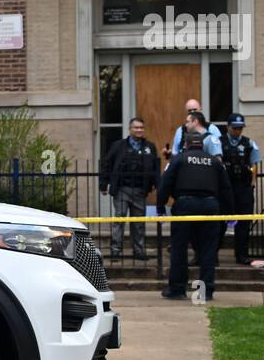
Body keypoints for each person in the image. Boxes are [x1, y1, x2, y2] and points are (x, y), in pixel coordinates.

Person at [157, 129, 234, 300]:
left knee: (179, 249)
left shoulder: (178, 160)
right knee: (208, 250)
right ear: (202, 144)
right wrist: (229, 213)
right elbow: (226, 188)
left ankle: (177, 289)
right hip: (210, 206)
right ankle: (205, 291)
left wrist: (160, 207)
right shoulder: (214, 162)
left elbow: (165, 183)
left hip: (185, 205)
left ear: (185, 144)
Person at [98, 117, 159, 260]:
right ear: (130, 129)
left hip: (140, 190)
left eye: (141, 128)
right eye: (136, 127)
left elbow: (155, 168)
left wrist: (157, 184)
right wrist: (103, 184)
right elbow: (107, 164)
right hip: (121, 189)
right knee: (119, 220)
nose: (139, 130)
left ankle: (139, 251)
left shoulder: (150, 147)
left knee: (138, 222)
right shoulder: (118, 145)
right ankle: (115, 251)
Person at [220, 112, 261, 264]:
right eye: (235, 128)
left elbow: (254, 164)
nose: (238, 131)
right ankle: (213, 254)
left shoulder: (249, 143)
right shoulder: (219, 142)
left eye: (240, 128)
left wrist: (252, 183)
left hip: (243, 187)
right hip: (225, 188)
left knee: (243, 223)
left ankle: (241, 255)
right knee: (220, 222)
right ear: (228, 127)